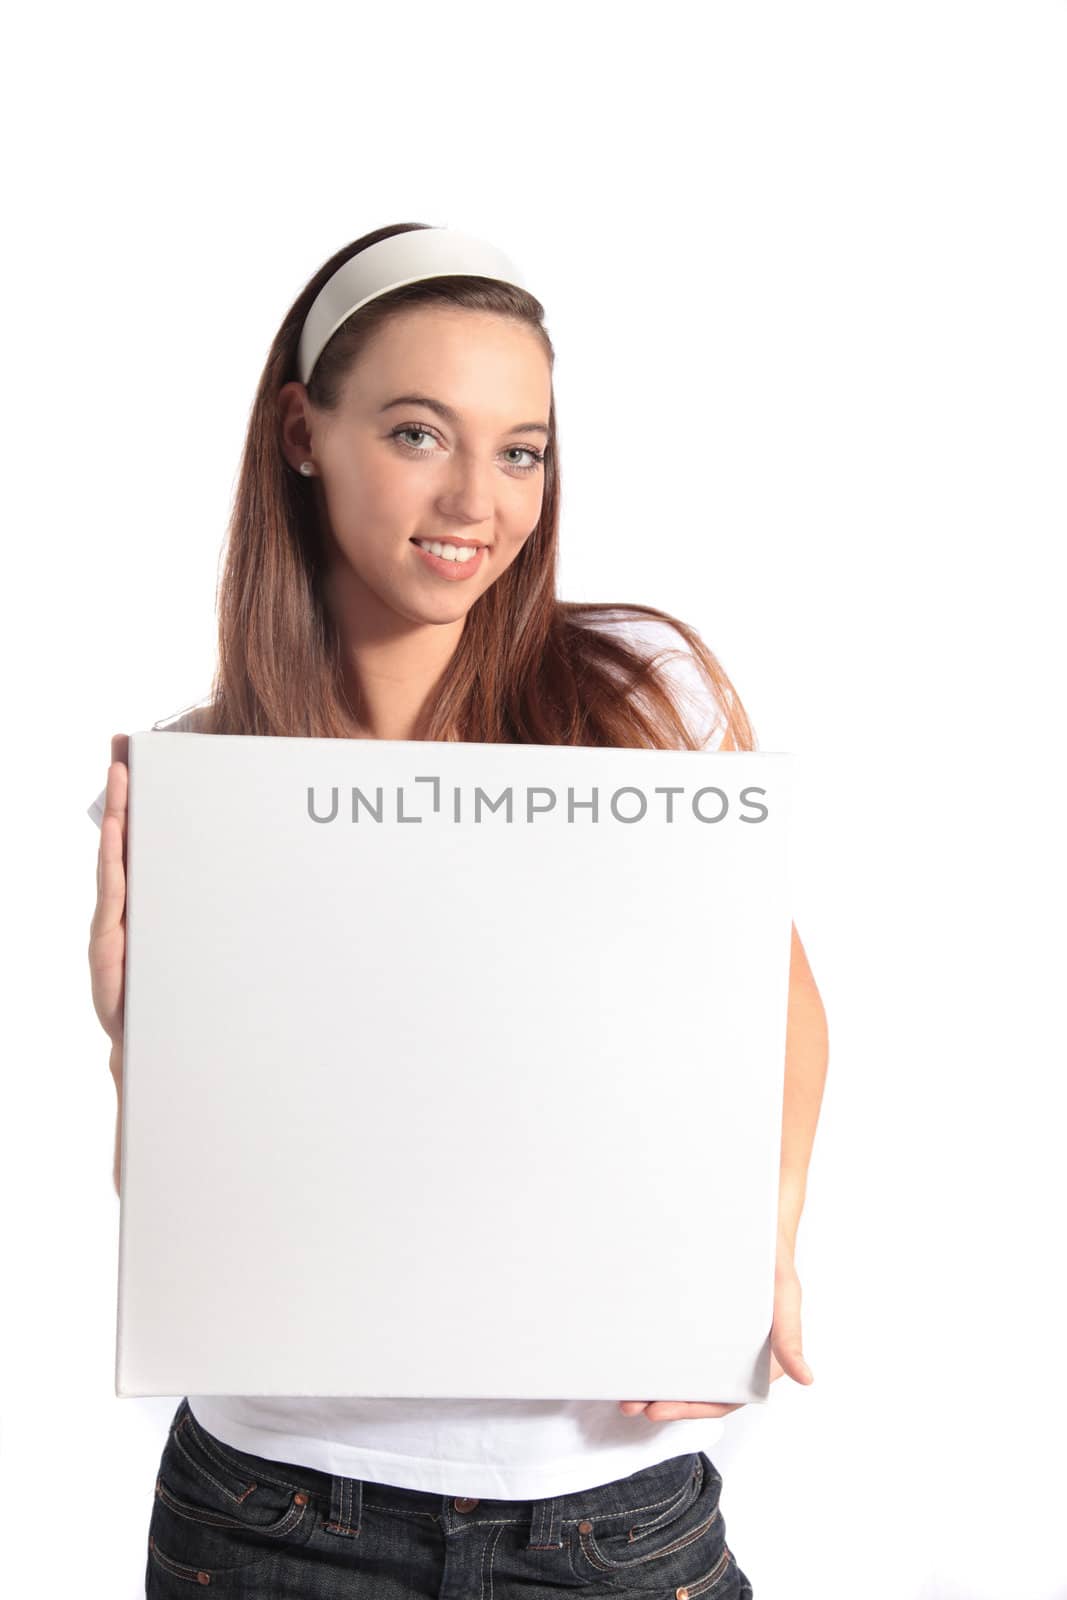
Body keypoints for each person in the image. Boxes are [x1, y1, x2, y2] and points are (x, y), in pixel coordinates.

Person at [87, 222, 827, 1598]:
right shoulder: (200, 778)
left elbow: (774, 1006)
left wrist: (757, 1248)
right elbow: (206, 1223)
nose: (476, 499)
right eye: (421, 433)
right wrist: (139, 1041)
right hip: (268, 1512)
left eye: (521, 449)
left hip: (605, 1512)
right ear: (303, 432)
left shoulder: (635, 697)